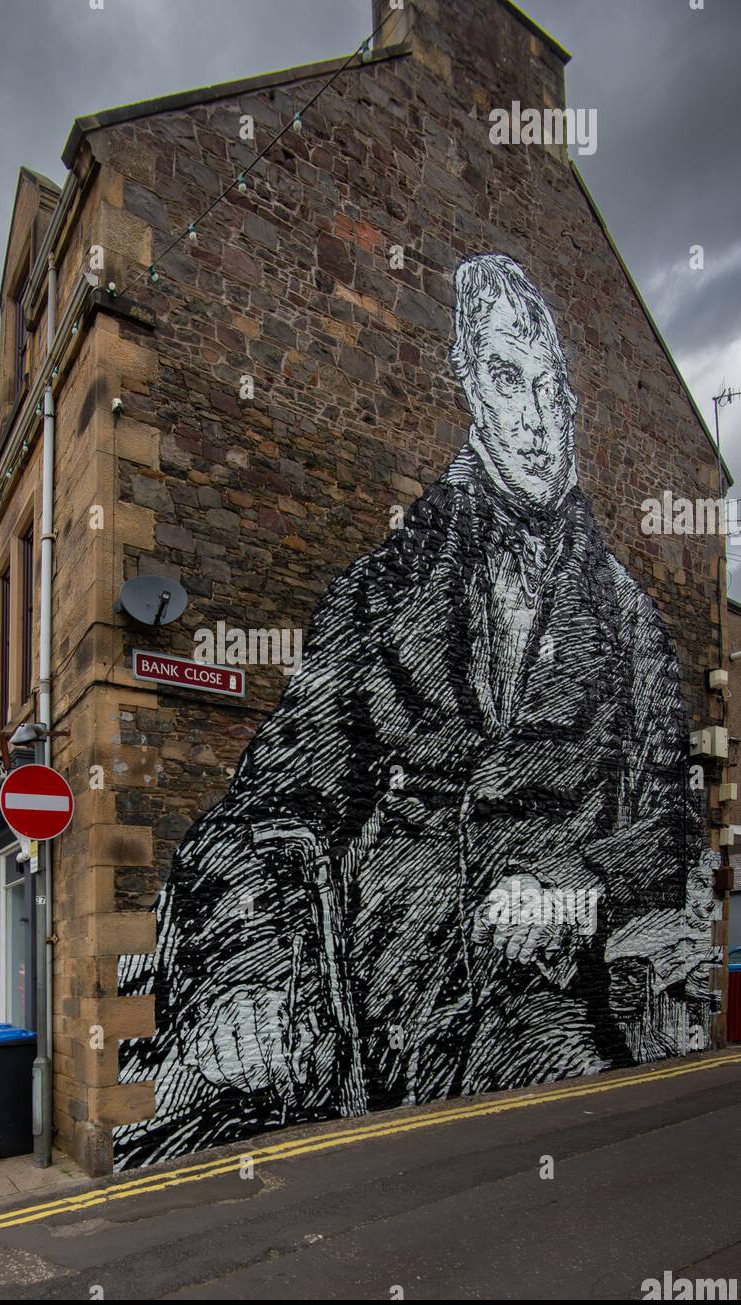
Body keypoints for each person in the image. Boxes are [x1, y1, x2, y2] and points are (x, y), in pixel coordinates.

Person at [116, 253, 720, 1170]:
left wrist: (572, 886)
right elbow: (271, 807)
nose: (536, 416)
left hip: (549, 1008)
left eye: (550, 386)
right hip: (378, 1014)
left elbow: (668, 829)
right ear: (469, 388)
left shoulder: (632, 622)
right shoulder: (379, 590)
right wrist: (248, 970)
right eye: (507, 380)